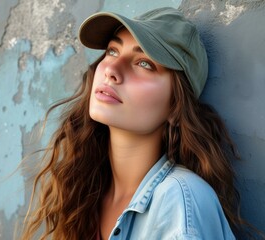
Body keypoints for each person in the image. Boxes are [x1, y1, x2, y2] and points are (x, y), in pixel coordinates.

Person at [21, 7, 250, 239]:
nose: (111, 69)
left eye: (144, 64)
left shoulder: (180, 201)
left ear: (175, 106)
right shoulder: (87, 189)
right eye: (112, 51)